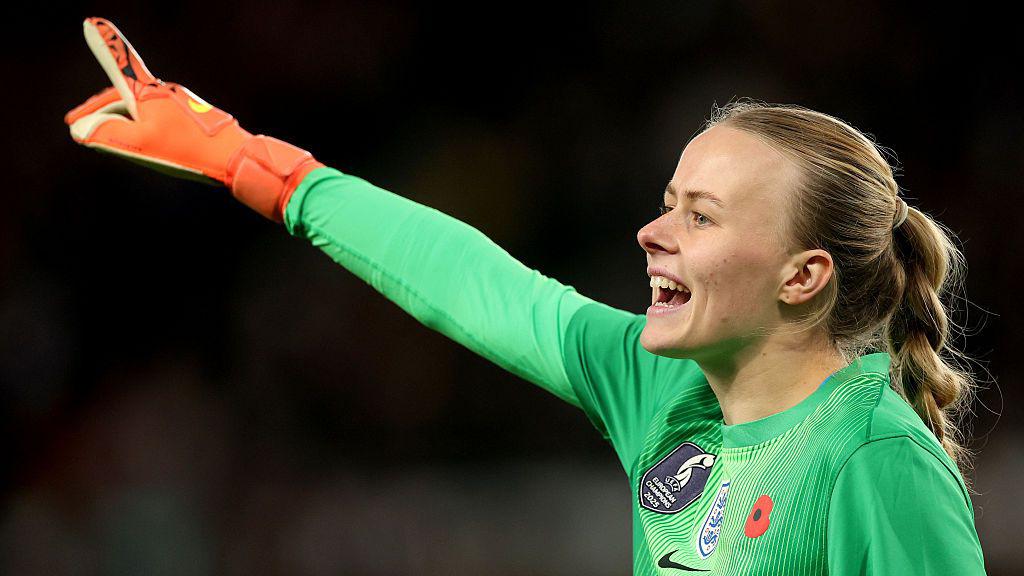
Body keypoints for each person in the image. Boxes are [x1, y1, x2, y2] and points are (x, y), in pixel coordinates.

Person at [64, 17, 987, 575]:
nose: (652, 233)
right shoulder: (662, 388)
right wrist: (251, 163)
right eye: (666, 204)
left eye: (701, 218)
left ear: (803, 277)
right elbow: (476, 285)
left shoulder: (871, 457)